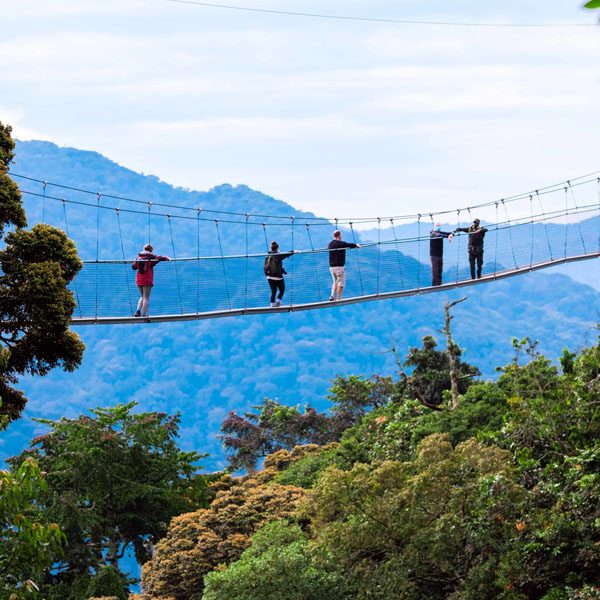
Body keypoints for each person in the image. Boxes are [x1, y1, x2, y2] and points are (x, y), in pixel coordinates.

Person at [132, 244, 170, 317]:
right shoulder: (151, 257)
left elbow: (133, 267)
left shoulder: (138, 257)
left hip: (139, 279)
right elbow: (159, 258)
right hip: (147, 279)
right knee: (146, 297)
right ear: (151, 250)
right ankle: (144, 314)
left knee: (142, 296)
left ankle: (137, 311)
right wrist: (167, 258)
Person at [327, 230, 360, 301]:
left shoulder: (330, 244)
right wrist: (356, 245)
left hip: (331, 267)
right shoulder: (340, 243)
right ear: (339, 236)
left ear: (334, 236)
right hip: (339, 267)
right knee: (341, 283)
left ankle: (332, 295)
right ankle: (339, 298)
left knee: (335, 282)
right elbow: (348, 245)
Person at [264, 241, 297, 307]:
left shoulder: (267, 256)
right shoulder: (278, 255)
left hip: (269, 276)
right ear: (277, 248)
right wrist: (294, 251)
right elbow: (286, 254)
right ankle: (278, 302)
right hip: (278, 276)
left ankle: (272, 305)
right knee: (282, 289)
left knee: (273, 291)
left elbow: (265, 267)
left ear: (271, 248)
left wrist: (267, 275)